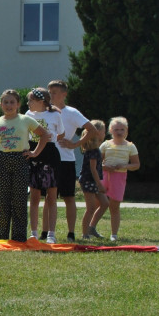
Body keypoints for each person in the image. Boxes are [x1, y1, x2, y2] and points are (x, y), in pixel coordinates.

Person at [0, 89, 51, 242]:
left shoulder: (25, 120)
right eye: (6, 102)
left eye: (12, 102)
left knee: (19, 200)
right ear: (1, 104)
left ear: (18, 104)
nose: (9, 105)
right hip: (2, 160)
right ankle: (2, 237)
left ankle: (18, 237)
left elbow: (44, 135)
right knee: (2, 200)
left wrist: (34, 152)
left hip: (21, 160)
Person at [47, 80, 93, 242]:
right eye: (49, 92)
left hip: (66, 160)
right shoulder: (46, 111)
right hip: (48, 159)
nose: (51, 95)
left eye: (54, 92)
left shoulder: (72, 112)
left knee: (68, 197)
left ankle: (71, 232)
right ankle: (46, 232)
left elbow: (92, 129)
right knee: (49, 197)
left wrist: (75, 144)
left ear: (63, 94)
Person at [24, 88, 64, 243]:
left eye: (30, 100)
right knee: (34, 196)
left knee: (51, 196)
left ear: (41, 101)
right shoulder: (28, 115)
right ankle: (33, 232)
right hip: (32, 153)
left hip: (50, 155)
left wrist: (50, 136)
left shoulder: (54, 115)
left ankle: (51, 234)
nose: (28, 103)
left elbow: (61, 133)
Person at [100, 116, 140, 242]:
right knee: (98, 204)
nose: (119, 132)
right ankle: (91, 229)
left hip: (119, 177)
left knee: (114, 206)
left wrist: (124, 166)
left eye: (122, 129)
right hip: (104, 176)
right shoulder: (105, 145)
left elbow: (136, 165)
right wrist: (104, 166)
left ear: (126, 131)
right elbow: (96, 162)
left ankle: (114, 234)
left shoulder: (130, 146)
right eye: (116, 129)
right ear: (111, 130)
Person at [78, 120, 108, 239]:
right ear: (96, 133)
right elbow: (93, 169)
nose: (105, 134)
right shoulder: (93, 150)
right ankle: (85, 234)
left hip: (93, 181)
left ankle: (91, 228)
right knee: (90, 208)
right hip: (89, 181)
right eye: (103, 131)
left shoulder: (96, 149)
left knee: (105, 203)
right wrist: (99, 184)